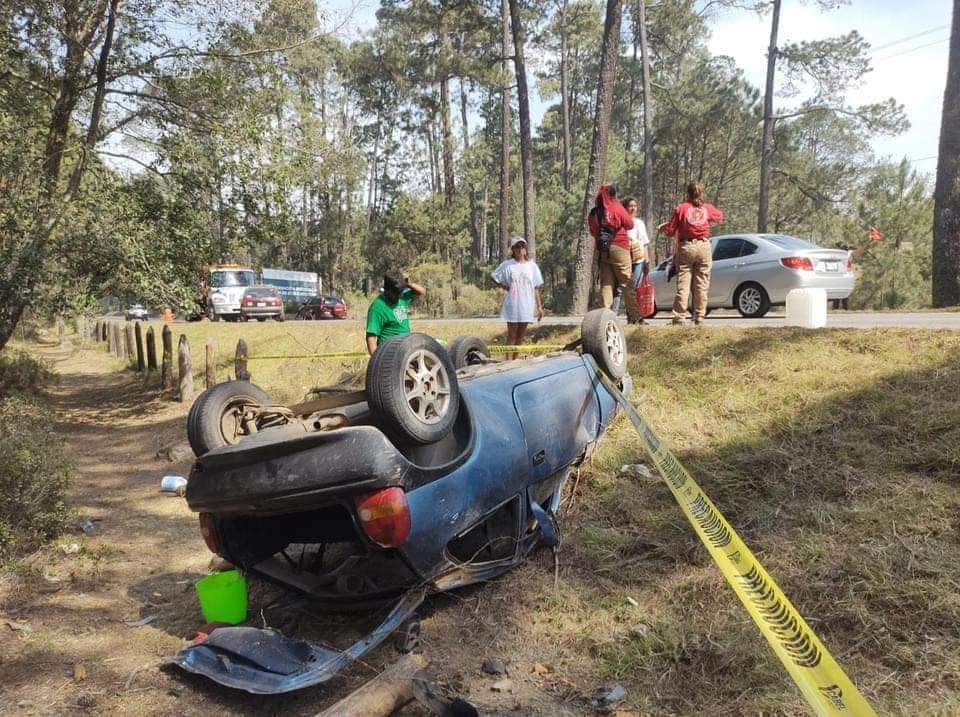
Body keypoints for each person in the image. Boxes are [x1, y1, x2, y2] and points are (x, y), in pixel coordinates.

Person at [658, 181, 723, 325]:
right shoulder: (707, 208)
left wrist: (663, 228)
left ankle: (680, 317)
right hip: (704, 246)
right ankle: (700, 316)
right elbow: (719, 217)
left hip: (687, 247)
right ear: (701, 193)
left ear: (687, 194)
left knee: (683, 283)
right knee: (702, 284)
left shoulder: (681, 208)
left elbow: (671, 230)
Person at [588, 184, 642, 323]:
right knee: (626, 281)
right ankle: (635, 317)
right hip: (620, 247)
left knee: (606, 284)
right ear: (613, 195)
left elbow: (593, 231)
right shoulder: (616, 207)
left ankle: (605, 318)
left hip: (602, 251)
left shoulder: (594, 213)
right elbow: (629, 224)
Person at [492, 236, 544, 360]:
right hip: (513, 304)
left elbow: (536, 287)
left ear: (525, 248)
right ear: (513, 249)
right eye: (517, 246)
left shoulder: (532, 266)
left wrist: (539, 307)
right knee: (512, 335)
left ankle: (515, 361)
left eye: (522, 246)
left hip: (526, 305)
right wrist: (504, 286)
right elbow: (494, 276)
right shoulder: (508, 265)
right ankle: (508, 362)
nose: (520, 249)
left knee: (520, 336)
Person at [365, 271, 426, 355]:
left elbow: (421, 291)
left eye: (400, 293)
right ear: (387, 290)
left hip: (406, 348)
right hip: (390, 353)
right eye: (396, 294)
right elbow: (371, 337)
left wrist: (406, 284)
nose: (398, 296)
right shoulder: (377, 307)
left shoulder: (402, 297)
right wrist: (376, 361)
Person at [611, 196, 651, 320]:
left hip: (638, 259)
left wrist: (646, 259)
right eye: (630, 206)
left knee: (632, 287)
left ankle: (633, 316)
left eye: (635, 206)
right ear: (625, 208)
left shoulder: (639, 223)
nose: (633, 208)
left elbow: (644, 242)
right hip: (624, 259)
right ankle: (613, 315)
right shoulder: (620, 222)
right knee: (620, 287)